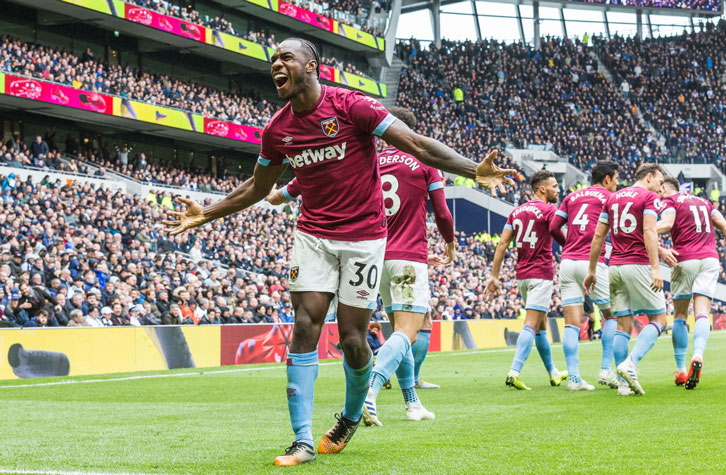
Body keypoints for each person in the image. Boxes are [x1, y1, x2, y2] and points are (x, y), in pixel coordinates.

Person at [162, 37, 515, 466]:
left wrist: (471, 169)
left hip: (365, 238)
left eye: (285, 57)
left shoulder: (351, 106)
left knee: (352, 339)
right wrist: (209, 212)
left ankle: (349, 416)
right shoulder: (278, 129)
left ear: (311, 66)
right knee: (306, 322)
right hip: (312, 234)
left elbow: (417, 145)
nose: (276, 64)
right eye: (273, 59)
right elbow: (259, 186)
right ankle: (302, 440)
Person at [269, 106, 453, 425]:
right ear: (410, 132)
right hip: (409, 255)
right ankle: (371, 387)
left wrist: (280, 195)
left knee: (397, 331)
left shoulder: (368, 157)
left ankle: (412, 403)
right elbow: (441, 212)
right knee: (408, 332)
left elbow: (308, 178)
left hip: (373, 254)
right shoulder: (424, 162)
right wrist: (449, 240)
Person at [584, 163, 666, 396]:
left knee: (623, 324)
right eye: (660, 182)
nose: (660, 187)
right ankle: (630, 364)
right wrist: (655, 268)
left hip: (615, 266)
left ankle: (622, 384)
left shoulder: (612, 198)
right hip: (638, 263)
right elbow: (649, 231)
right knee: (660, 319)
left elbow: (599, 235)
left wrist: (592, 270)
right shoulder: (648, 197)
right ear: (649, 177)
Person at [486, 170, 567, 391]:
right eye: (554, 186)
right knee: (531, 323)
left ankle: (553, 373)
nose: (557, 190)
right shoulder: (550, 210)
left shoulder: (517, 212)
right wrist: (569, 245)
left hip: (522, 274)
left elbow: (502, 244)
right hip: (541, 272)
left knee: (541, 326)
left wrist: (494, 275)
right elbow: (556, 229)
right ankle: (514, 372)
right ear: (543, 189)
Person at [548, 160, 619, 391]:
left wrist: (568, 243)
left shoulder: (571, 197)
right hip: (592, 262)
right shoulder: (609, 198)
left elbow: (553, 227)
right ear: (607, 179)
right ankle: (606, 371)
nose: (617, 185)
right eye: (616, 180)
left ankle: (574, 379)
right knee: (612, 316)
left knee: (571, 324)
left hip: (568, 262)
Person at [656, 176, 726, 389]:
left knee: (679, 315)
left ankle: (681, 370)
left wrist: (646, 231)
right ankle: (698, 354)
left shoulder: (670, 202)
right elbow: (723, 225)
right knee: (702, 310)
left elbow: (667, 223)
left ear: (664, 189)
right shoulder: (704, 201)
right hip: (710, 258)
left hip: (685, 258)